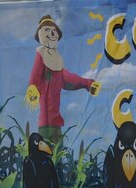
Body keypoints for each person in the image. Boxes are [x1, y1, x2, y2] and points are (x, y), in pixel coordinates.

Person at [26, 14, 101, 144]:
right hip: (46, 121)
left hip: (55, 120)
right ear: (41, 34)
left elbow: (67, 78)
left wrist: (87, 84)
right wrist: (33, 87)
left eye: (53, 30)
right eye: (47, 30)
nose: (51, 33)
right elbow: (36, 75)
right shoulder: (41, 54)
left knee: (57, 149)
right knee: (46, 147)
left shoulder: (56, 59)